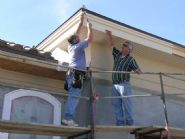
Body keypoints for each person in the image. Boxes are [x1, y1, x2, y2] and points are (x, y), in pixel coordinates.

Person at [62, 13, 93, 126]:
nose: (79, 37)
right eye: (78, 37)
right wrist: (89, 27)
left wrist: (81, 21)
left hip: (71, 72)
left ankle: (68, 117)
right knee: (74, 96)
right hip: (77, 73)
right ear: (75, 40)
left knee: (73, 95)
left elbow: (77, 32)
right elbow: (90, 39)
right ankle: (68, 118)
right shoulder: (79, 46)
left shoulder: (71, 46)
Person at [106, 30, 142, 126]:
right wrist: (110, 35)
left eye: (125, 45)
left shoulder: (130, 59)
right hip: (115, 84)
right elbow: (112, 45)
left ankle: (129, 122)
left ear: (129, 49)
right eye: (123, 45)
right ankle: (120, 122)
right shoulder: (117, 54)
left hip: (124, 84)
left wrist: (140, 72)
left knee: (127, 104)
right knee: (116, 104)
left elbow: (138, 70)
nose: (123, 46)